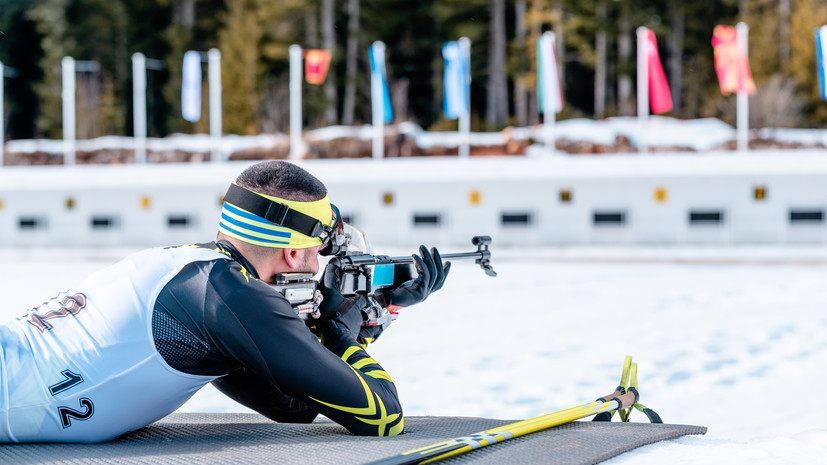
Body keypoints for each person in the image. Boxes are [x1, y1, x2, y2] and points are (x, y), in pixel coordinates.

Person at [0, 160, 450, 443]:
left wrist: (376, 314)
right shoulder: (235, 295)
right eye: (318, 252)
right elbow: (381, 416)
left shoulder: (195, 272)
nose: (317, 266)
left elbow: (292, 404)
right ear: (294, 252)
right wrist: (335, 327)